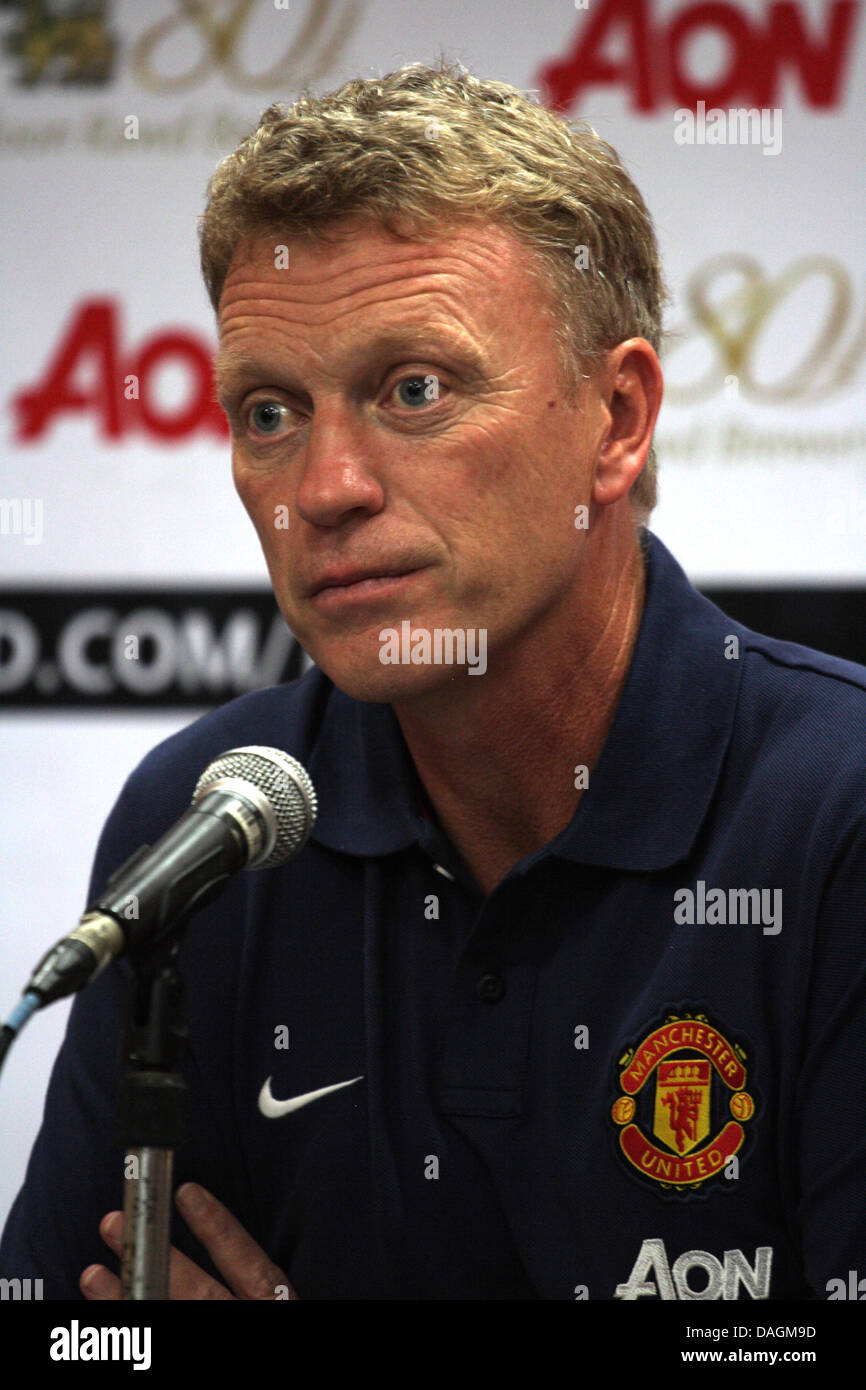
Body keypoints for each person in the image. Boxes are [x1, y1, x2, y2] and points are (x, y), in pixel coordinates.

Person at [2, 59, 864, 1302]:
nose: (323, 487)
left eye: (414, 389)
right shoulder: (206, 824)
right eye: (268, 412)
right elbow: (73, 1336)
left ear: (615, 419)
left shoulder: (833, 817)